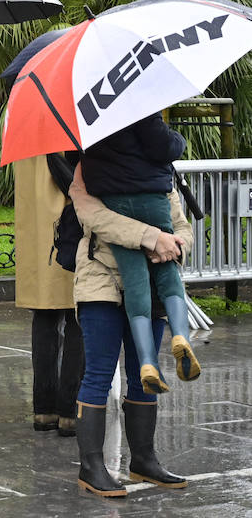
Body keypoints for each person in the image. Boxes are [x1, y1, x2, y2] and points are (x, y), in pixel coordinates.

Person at [69, 164, 192, 497]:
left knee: (145, 373)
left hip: (151, 280)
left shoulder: (155, 166)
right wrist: (153, 238)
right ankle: (91, 466)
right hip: (101, 281)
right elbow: (96, 219)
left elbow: (180, 221)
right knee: (98, 374)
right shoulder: (89, 168)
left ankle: (144, 459)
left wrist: (175, 244)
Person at [81, 114, 200, 392]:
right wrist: (177, 139)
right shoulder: (139, 104)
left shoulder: (89, 120)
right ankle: (181, 335)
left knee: (135, 283)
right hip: (151, 196)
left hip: (113, 201)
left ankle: (148, 361)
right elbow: (163, 145)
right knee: (168, 273)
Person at [14, 151, 83, 435]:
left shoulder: (25, 112)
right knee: (80, 312)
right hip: (69, 219)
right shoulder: (67, 111)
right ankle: (70, 410)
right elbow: (67, 166)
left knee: (44, 314)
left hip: (35, 221)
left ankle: (44, 409)